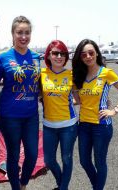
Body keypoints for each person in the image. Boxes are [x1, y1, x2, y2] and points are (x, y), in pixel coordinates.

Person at [72, 39, 118, 190]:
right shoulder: (80, 75)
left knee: (100, 162)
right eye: (84, 54)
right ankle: (97, 186)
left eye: (91, 53)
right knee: (84, 161)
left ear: (97, 53)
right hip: (83, 125)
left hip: (101, 126)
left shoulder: (106, 73)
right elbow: (78, 101)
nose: (88, 56)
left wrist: (115, 110)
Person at [0, 15, 41, 190]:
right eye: (19, 32)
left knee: (32, 154)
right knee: (13, 155)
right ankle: (17, 187)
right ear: (12, 34)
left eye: (27, 33)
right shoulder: (3, 57)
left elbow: (40, 82)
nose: (23, 37)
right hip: (9, 115)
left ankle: (23, 183)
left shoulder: (36, 57)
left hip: (31, 114)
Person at [40, 40, 78, 190]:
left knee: (66, 159)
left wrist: (64, 101)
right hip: (49, 126)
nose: (59, 56)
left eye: (63, 53)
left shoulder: (71, 75)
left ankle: (63, 188)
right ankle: (62, 184)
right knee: (49, 160)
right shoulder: (41, 74)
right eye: (55, 53)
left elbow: (79, 98)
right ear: (48, 55)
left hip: (68, 126)